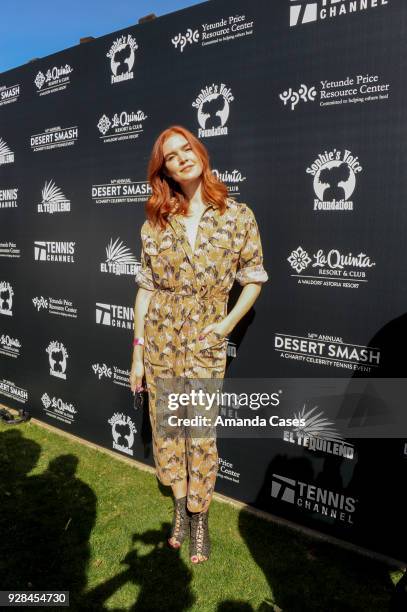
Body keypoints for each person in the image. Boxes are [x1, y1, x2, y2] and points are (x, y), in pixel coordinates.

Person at [129, 125, 269, 564]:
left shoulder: (237, 215)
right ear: (164, 170)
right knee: (168, 430)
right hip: (160, 337)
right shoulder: (155, 222)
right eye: (171, 155)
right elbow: (146, 290)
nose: (182, 158)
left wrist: (224, 326)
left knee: (201, 433)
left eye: (186, 148)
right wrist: (136, 352)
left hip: (207, 337)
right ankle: (179, 509)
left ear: (200, 153)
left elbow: (253, 280)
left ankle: (199, 516)